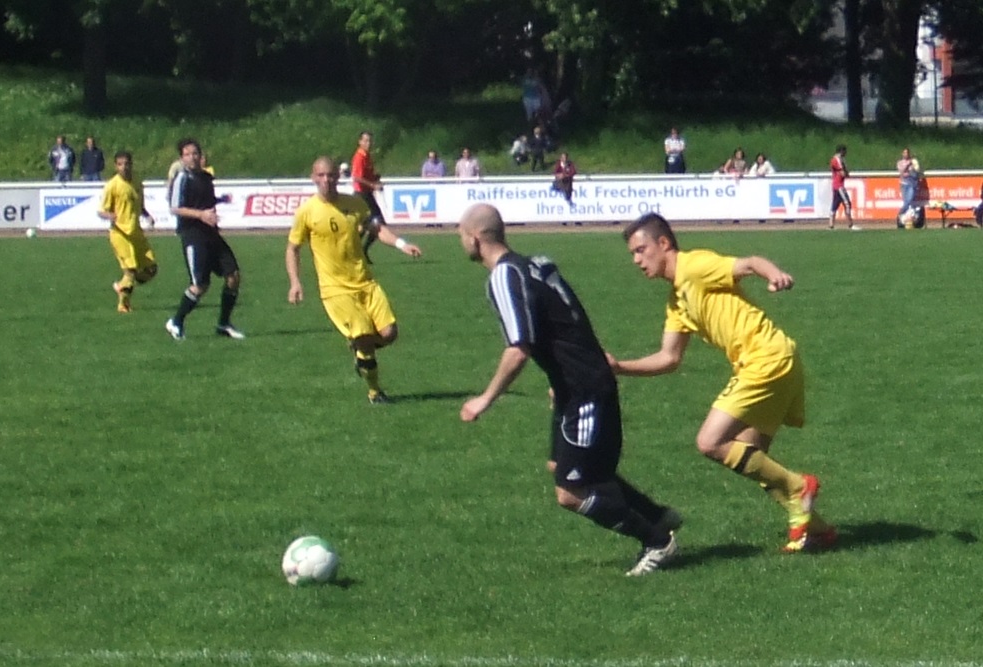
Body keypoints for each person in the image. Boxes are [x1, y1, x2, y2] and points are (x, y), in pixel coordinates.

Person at [457, 203, 680, 576]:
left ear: (475, 238)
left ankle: (657, 540)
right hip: (573, 386)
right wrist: (559, 379)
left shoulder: (504, 276)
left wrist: (485, 399)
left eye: (461, 235)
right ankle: (656, 515)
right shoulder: (535, 263)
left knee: (570, 492)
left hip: (584, 389)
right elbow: (569, 321)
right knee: (565, 467)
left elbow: (518, 348)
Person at [607, 213, 836, 553]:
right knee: (753, 458)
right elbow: (669, 357)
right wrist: (617, 367)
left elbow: (749, 263)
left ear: (664, 243)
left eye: (641, 250)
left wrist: (774, 274)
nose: (637, 261)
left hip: (765, 358)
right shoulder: (677, 300)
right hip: (776, 359)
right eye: (632, 254)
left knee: (710, 441)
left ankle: (799, 487)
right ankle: (818, 530)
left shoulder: (694, 266)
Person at [286, 157, 422, 404]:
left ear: (338, 177)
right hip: (335, 290)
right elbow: (293, 249)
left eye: (331, 175)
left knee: (389, 333)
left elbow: (376, 228)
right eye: (321, 175)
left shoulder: (354, 204)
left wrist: (402, 244)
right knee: (364, 336)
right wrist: (295, 282)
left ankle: (359, 351)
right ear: (313, 178)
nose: (326, 180)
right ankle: (375, 392)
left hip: (365, 282)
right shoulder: (307, 212)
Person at [164, 138, 245, 341]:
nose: (192, 157)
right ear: (182, 158)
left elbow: (204, 201)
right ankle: (176, 322)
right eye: (187, 154)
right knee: (200, 285)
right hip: (193, 235)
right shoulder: (182, 178)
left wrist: (220, 200)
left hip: (211, 234)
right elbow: (175, 208)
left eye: (195, 153)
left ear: (201, 156)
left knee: (233, 276)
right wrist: (201, 215)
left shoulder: (206, 178)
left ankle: (224, 323)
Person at [96, 151, 157, 313]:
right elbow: (101, 211)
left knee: (151, 270)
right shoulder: (112, 185)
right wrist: (111, 216)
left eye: (127, 164)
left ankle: (122, 286)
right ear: (116, 166)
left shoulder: (137, 182)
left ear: (131, 164)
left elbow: (140, 205)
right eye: (120, 164)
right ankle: (123, 305)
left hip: (136, 232)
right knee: (130, 271)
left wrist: (147, 216)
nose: (124, 167)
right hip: (120, 234)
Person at [351, 131, 385, 262]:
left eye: (370, 141)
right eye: (365, 141)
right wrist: (373, 185)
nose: (368, 143)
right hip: (361, 195)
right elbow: (357, 177)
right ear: (360, 142)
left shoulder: (367, 156)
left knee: (367, 225)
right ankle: (358, 249)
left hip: (366, 194)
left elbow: (366, 175)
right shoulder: (359, 157)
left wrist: (375, 178)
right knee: (377, 223)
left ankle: (357, 250)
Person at [830, 144, 860, 230]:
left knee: (835, 205)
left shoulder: (837, 159)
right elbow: (843, 173)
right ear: (842, 151)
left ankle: (831, 225)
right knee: (847, 203)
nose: (846, 153)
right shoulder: (837, 160)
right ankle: (850, 224)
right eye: (845, 151)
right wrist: (846, 172)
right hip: (839, 186)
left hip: (836, 185)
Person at [896, 147, 921, 218]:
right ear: (902, 154)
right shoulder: (900, 162)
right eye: (904, 153)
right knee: (906, 201)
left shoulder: (913, 161)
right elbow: (902, 171)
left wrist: (913, 167)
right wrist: (908, 165)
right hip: (904, 183)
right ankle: (904, 217)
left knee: (909, 200)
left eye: (907, 153)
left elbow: (916, 171)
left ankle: (900, 214)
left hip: (912, 184)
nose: (906, 154)